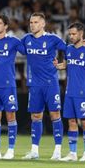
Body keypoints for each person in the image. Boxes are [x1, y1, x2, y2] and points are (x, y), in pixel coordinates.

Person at [21, 12, 66, 160]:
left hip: (50, 84)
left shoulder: (52, 39)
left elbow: (69, 49)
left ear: (42, 24)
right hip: (34, 85)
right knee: (36, 116)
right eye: (31, 22)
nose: (32, 25)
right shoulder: (26, 39)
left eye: (35, 22)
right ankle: (34, 151)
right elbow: (12, 45)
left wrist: (64, 64)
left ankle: (58, 151)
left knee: (55, 115)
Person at [54, 22, 85, 161]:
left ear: (81, 34)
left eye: (74, 34)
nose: (71, 37)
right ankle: (72, 153)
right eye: (70, 34)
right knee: (71, 121)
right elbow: (67, 65)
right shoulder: (69, 49)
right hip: (70, 92)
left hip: (84, 92)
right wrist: (59, 66)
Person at [0, 14, 25, 159]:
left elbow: (27, 51)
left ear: (6, 26)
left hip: (8, 86)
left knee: (10, 116)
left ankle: (11, 150)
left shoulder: (13, 41)